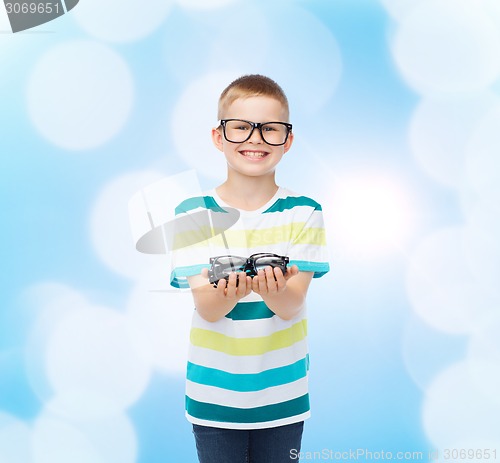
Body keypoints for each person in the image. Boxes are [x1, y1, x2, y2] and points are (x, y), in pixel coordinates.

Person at [170, 74, 330, 463]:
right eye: (241, 127)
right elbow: (208, 308)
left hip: (283, 395)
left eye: (269, 129)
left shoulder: (305, 211)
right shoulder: (192, 213)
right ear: (218, 136)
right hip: (214, 396)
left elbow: (291, 306)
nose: (255, 139)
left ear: (287, 140)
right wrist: (238, 290)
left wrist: (273, 291)